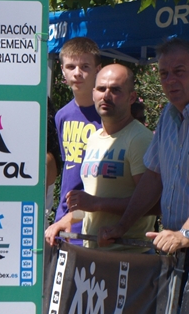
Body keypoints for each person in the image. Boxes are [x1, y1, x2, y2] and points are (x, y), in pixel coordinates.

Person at [45, 64, 154, 251]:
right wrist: (67, 219)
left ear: (132, 98)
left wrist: (96, 204)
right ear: (94, 93)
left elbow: (152, 203)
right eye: (101, 89)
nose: (106, 96)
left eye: (115, 90)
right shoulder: (94, 138)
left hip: (131, 255)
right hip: (95, 254)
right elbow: (92, 203)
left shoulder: (139, 139)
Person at [100, 39, 189, 254]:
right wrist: (121, 227)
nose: (170, 80)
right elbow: (153, 177)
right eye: (164, 74)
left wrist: (185, 233)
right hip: (173, 248)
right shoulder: (168, 116)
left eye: (179, 71)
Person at [53, 37, 102, 239]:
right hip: (63, 219)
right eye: (71, 66)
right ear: (62, 70)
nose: (77, 73)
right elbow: (69, 167)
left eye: (85, 66)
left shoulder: (108, 115)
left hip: (96, 222)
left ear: (98, 69)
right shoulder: (62, 116)